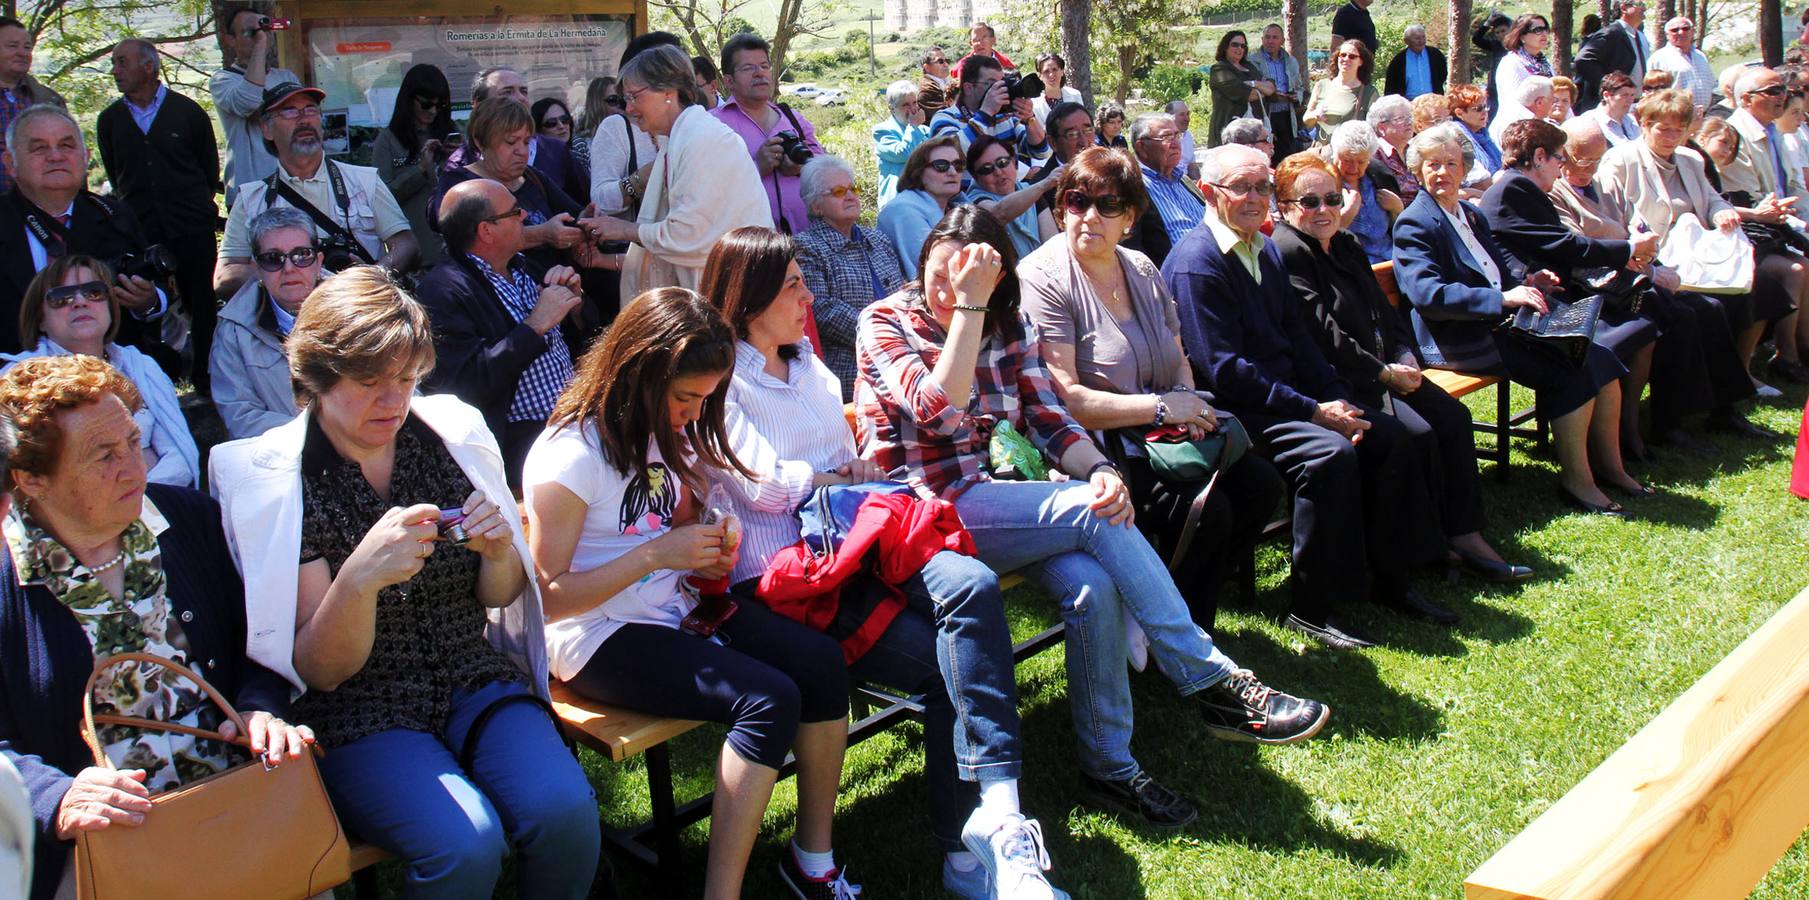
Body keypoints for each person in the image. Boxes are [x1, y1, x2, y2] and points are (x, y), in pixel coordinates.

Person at [857, 203, 1331, 827]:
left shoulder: (1008, 320)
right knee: (1093, 515)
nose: (947, 292)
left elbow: (1049, 419)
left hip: (1000, 496)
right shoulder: (886, 319)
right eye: (938, 277)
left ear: (999, 279)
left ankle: (1109, 768)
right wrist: (967, 309)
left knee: (1093, 583)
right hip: (923, 510)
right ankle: (1210, 677)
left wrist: (1100, 470)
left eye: (968, 282)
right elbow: (938, 411)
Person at [210, 267, 599, 897]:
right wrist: (358, 579)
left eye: (406, 378)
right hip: (360, 711)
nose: (394, 402)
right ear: (316, 375)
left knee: (566, 814)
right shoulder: (281, 480)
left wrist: (499, 548)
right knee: (464, 846)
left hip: (470, 679)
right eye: (369, 383)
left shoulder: (448, 438)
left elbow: (497, 597)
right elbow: (323, 671)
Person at [702, 228, 1066, 899]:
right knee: (942, 669)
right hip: (782, 579)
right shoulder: (719, 378)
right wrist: (832, 473)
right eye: (792, 286)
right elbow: (759, 484)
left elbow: (843, 467)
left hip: (852, 546)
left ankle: (1000, 815)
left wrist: (840, 474)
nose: (809, 297)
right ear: (748, 302)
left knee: (972, 583)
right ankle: (966, 854)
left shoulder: (807, 364)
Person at [524, 285, 854, 899]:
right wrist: (657, 555)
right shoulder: (569, 455)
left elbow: (669, 537)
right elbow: (547, 597)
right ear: (637, 374)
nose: (695, 414)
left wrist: (705, 541)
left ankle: (814, 859)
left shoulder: (661, 434)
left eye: (705, 399)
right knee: (767, 699)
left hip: (669, 608)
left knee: (822, 663)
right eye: (685, 398)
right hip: (595, 634)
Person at [0, 354, 311, 900]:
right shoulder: (7, 580)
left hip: (235, 794)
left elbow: (258, 642)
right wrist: (57, 797)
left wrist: (262, 706)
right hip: (108, 840)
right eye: (104, 456)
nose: (136, 467)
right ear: (31, 479)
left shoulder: (187, 518)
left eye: (132, 442)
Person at [1165, 144, 1452, 644]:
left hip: (1284, 395)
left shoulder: (1262, 247)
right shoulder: (1199, 262)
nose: (1255, 198)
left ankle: (1388, 578)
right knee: (1327, 455)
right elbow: (1224, 371)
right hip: (1234, 409)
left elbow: (1299, 338)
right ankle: (1314, 606)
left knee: (1384, 433)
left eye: (1261, 186)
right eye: (1241, 188)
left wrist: (1340, 396)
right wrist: (1315, 410)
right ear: (1210, 193)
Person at [1020, 146, 1288, 627]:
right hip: (1095, 447)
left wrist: (1187, 406)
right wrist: (1165, 409)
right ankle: (1183, 636)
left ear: (1131, 216)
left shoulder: (1141, 268)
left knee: (1260, 484)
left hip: (1160, 432)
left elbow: (1178, 355)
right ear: (1062, 208)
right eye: (1078, 201)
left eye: (1108, 205)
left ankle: (1171, 602)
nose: (1089, 216)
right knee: (1205, 510)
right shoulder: (1043, 278)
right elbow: (1068, 400)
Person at [1272, 152, 1529, 583]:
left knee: (1452, 416)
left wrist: (1404, 353)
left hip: (1385, 365)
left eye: (1332, 199)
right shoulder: (1288, 251)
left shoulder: (1346, 243)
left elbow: (1382, 310)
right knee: (1417, 433)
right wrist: (1383, 372)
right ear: (1285, 207)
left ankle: (1464, 535)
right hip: (1342, 379)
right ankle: (1423, 550)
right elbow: (1323, 332)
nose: (1323, 210)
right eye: (1309, 202)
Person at [1394, 122, 1645, 517]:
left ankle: (1611, 469)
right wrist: (1503, 297)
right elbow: (1429, 295)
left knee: (1602, 361)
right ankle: (1578, 483)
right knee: (1570, 370)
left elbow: (1494, 270)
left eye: (1450, 163)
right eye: (1431, 164)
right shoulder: (1416, 222)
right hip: (1457, 338)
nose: (1442, 172)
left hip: (1500, 324)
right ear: (1417, 170)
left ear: (1464, 168)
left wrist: (1528, 280)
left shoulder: (1469, 215)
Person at [1558, 116, 1763, 448]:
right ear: (1561, 154)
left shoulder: (1603, 182)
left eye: (1595, 159)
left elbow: (1634, 222)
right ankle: (1668, 422)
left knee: (1710, 307)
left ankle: (1723, 409)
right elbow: (1577, 247)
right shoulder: (1556, 190)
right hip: (1600, 285)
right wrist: (1637, 260)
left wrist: (1647, 247)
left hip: (1635, 272)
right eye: (1579, 158)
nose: (1587, 168)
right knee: (1679, 317)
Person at [1598, 88, 1802, 411]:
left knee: (1759, 289)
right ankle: (1707, 406)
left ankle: (1731, 397)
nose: (1671, 136)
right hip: (1656, 260)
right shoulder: (1621, 160)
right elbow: (1613, 217)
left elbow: (1712, 199)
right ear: (1644, 124)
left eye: (1678, 129)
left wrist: (1719, 211)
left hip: (1698, 257)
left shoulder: (1691, 159)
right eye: (1662, 128)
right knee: (1708, 308)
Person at [1482, 118, 1665, 464]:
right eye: (1559, 159)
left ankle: (1627, 433)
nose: (1562, 167)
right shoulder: (1513, 189)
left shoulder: (1522, 188)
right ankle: (1613, 445)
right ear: (1539, 157)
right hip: (1528, 310)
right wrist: (1628, 250)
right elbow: (1564, 245)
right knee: (1615, 345)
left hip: (1547, 291)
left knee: (1645, 325)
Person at [419, 179, 582, 484]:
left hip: (572, 423)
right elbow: (465, 384)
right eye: (515, 211)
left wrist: (572, 302)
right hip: (520, 443)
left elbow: (576, 335)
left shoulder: (524, 267)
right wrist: (534, 326)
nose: (525, 217)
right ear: (486, 230)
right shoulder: (443, 292)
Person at [586, 46, 771, 296]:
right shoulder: (680, 138)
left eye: (634, 97)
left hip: (738, 291)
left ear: (668, 92)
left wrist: (623, 229)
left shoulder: (702, 138)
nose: (628, 109)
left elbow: (689, 235)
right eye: (625, 100)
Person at [4, 255, 197, 488]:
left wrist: (139, 507)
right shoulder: (18, 380)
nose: (79, 301)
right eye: (61, 297)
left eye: (93, 292)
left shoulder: (141, 367)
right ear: (40, 320)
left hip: (158, 504)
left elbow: (180, 457)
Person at [96, 38, 221, 394]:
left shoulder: (188, 112)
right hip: (140, 231)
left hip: (190, 228)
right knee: (140, 303)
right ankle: (154, 381)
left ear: (148, 66)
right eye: (114, 63)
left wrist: (193, 209)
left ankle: (205, 378)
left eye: (122, 62)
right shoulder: (110, 121)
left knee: (201, 303)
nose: (115, 71)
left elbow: (208, 170)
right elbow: (116, 173)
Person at [215, 79, 417, 300]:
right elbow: (225, 276)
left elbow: (406, 245)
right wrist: (288, 276)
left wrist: (370, 278)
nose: (303, 119)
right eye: (290, 111)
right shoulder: (252, 199)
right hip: (287, 327)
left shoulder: (364, 181)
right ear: (266, 129)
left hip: (356, 311)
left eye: (310, 109)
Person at [0, 106, 169, 364]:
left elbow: (157, 293)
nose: (55, 156)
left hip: (108, 377)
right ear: (10, 164)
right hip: (15, 381)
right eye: (39, 148)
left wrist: (146, 302)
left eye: (67, 146)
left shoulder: (114, 215)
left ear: (85, 157)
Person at [432, 98, 598, 277]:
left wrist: (586, 220)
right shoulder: (459, 184)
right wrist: (543, 234)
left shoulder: (533, 177)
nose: (522, 151)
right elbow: (466, 240)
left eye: (526, 142)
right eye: (511, 142)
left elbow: (573, 214)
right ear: (480, 142)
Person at [1716, 68, 1809, 383]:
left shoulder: (1774, 131)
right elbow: (1755, 201)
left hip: (1783, 224)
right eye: (1771, 90)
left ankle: (1800, 347)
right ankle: (1789, 355)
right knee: (1796, 269)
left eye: (1782, 88)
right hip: (1752, 233)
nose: (1781, 95)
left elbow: (1795, 189)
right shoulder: (1735, 136)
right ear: (1746, 99)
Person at [795, 155, 908, 400]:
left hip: (903, 348)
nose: (850, 195)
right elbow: (820, 309)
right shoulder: (806, 247)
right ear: (816, 206)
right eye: (837, 191)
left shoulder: (877, 239)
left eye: (853, 188)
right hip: (851, 364)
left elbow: (902, 293)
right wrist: (883, 333)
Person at [210, 207, 320, 439]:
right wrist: (320, 434)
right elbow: (240, 417)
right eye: (273, 259)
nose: (289, 268)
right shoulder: (234, 330)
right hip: (282, 461)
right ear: (256, 269)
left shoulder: (357, 308)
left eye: (302, 255)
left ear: (318, 261)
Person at [714, 33, 827, 235]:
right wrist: (756, 167)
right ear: (729, 81)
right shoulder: (713, 124)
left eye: (764, 66)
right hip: (750, 247)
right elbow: (704, 189)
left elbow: (826, 169)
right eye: (748, 68)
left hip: (809, 241)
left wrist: (802, 168)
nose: (760, 73)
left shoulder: (792, 118)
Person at [443, 66, 589, 204]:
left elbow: (583, 205)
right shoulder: (460, 161)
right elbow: (442, 217)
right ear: (479, 105)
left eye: (524, 91)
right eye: (507, 92)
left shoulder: (555, 150)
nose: (521, 98)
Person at [372, 63, 455, 267]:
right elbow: (381, 198)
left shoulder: (451, 134)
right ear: (409, 100)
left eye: (440, 105)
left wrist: (455, 160)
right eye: (426, 104)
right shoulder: (388, 140)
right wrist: (420, 171)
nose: (433, 111)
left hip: (454, 253)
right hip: (416, 258)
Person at [211, 7, 293, 205]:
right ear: (230, 40)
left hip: (290, 191)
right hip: (251, 194)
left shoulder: (286, 77)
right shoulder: (223, 81)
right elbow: (248, 103)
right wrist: (260, 46)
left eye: (264, 29)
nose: (259, 36)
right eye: (249, 32)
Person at [931, 51, 1050, 165]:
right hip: (966, 186)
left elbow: (1041, 152)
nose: (1000, 88)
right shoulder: (944, 118)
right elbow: (951, 157)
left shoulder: (1006, 117)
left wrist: (1029, 119)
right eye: (992, 83)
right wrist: (986, 114)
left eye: (1001, 82)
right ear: (968, 88)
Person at [877, 135, 966, 279]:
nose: (952, 172)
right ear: (918, 172)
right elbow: (937, 271)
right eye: (941, 166)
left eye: (958, 165)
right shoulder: (903, 210)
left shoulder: (957, 208)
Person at [961, 135, 1059, 264]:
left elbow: (1052, 244)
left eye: (1002, 162)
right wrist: (1044, 184)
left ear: (1014, 162)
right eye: (986, 169)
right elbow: (999, 213)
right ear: (976, 177)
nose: (998, 172)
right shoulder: (974, 202)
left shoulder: (1030, 192)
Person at [1126, 113, 1205, 267]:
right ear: (1142, 148)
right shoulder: (1132, 187)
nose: (1176, 144)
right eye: (1167, 137)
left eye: (1177, 135)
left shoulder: (1183, 180)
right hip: (1178, 275)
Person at [1326, 120, 1401, 263]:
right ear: (1335, 154)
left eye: (1361, 162)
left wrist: (1398, 209)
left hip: (1391, 260)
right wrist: (1348, 212)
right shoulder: (1323, 182)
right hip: (1351, 267)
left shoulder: (1378, 175)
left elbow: (1400, 229)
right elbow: (1321, 237)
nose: (1354, 169)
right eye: (1347, 160)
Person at [1575, 0, 1649, 110]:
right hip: (1609, 106)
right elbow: (1583, 59)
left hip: (1634, 104)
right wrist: (1608, 85)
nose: (1644, 9)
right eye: (1640, 5)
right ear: (1624, 8)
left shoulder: (1639, 36)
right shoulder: (1611, 33)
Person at [1303, 40, 1377, 147]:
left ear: (1361, 61)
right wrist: (1315, 115)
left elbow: (1374, 129)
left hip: (1348, 154)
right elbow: (1306, 120)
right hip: (1320, 153)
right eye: (1342, 55)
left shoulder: (1369, 92)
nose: (1346, 59)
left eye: (1352, 56)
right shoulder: (1322, 85)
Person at [1208, 31, 1272, 148]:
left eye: (1243, 46)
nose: (1239, 48)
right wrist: (1262, 90)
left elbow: (1271, 87)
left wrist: (1254, 83)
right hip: (1230, 133)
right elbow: (1249, 95)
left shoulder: (1249, 66)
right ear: (1225, 47)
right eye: (1235, 44)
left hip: (1254, 135)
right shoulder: (1219, 70)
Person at [875, 79, 929, 208]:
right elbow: (903, 153)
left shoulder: (925, 131)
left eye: (914, 103)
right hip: (897, 203)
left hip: (923, 201)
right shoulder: (882, 131)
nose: (912, 109)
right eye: (905, 105)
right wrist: (914, 126)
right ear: (891, 108)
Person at [1254, 24, 1305, 161]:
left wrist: (1296, 96)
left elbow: (1300, 87)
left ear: (1282, 40)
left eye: (1275, 37)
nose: (1270, 41)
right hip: (1265, 115)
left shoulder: (1291, 61)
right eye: (1267, 37)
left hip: (1287, 116)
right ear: (1262, 39)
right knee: (1266, 157)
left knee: (1287, 158)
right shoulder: (1253, 61)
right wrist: (1271, 94)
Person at [1494, 13, 1556, 126]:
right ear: (1522, 36)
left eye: (1546, 29)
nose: (1544, 34)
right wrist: (1537, 121)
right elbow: (1512, 102)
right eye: (1537, 30)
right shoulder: (1511, 63)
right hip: (1516, 128)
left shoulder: (1545, 63)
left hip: (1544, 125)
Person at [1650, 17, 1715, 113]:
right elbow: (1653, 91)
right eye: (1674, 30)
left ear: (1692, 31)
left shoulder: (1700, 56)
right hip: (1675, 116)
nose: (1681, 32)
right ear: (1667, 35)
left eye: (1685, 28)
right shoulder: (1659, 58)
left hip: (1703, 115)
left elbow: (1711, 84)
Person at [1369, 94, 1420, 203]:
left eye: (1410, 117)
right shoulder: (1374, 155)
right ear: (1381, 127)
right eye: (1400, 118)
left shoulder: (1415, 151)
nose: (1409, 122)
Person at [1490, 75, 1556, 147]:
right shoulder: (1514, 123)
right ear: (1539, 102)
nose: (1553, 104)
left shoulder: (1518, 115)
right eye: (1552, 100)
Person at [1385, 25, 1448, 100]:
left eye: (1423, 37)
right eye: (1417, 38)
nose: (1421, 41)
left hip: (1433, 102)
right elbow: (1391, 86)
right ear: (1406, 41)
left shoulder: (1435, 55)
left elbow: (1444, 74)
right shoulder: (1399, 60)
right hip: (1407, 104)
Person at [532, 97, 590, 178]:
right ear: (538, 130)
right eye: (551, 123)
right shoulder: (536, 163)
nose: (561, 126)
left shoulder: (578, 145)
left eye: (565, 119)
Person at [1473, 11, 1514, 116]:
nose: (1501, 34)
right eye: (1497, 32)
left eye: (1503, 31)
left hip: (1513, 88)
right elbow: (1476, 39)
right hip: (1494, 90)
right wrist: (1488, 23)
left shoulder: (1519, 47)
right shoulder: (1496, 45)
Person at [1585, 72, 1643, 145]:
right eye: (1624, 95)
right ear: (1606, 95)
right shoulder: (1590, 121)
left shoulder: (1633, 121)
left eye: (1632, 95)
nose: (1630, 100)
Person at [950, 21, 1016, 82]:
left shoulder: (1006, 64)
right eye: (975, 40)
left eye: (984, 38)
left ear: (993, 40)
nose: (979, 43)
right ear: (971, 44)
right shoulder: (963, 67)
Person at [1030, 53, 1083, 127]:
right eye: (1046, 71)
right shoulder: (1034, 104)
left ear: (1062, 71)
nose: (1051, 75)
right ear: (1040, 76)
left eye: (1054, 69)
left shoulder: (1075, 96)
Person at [574, 74, 621, 142]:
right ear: (596, 104)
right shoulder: (582, 143)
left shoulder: (634, 135)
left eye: (624, 99)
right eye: (613, 100)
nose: (621, 105)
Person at [1168, 100, 1201, 179]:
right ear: (1169, 117)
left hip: (1186, 182)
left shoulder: (1188, 136)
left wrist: (1198, 187)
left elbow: (1191, 165)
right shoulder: (1163, 139)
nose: (1187, 118)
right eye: (1182, 115)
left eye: (1188, 114)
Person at [918, 46, 954, 116]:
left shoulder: (943, 83)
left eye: (947, 60)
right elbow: (945, 115)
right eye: (940, 61)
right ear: (927, 67)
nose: (946, 64)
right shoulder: (926, 91)